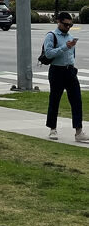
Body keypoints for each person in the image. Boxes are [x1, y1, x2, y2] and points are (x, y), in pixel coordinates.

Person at [44, 11, 89, 142]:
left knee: (77, 100)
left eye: (70, 25)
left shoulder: (70, 36)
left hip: (70, 71)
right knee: (55, 100)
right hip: (57, 71)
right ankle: (52, 128)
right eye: (65, 25)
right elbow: (48, 54)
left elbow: (72, 54)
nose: (68, 27)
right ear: (59, 22)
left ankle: (79, 131)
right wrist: (64, 47)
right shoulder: (51, 36)